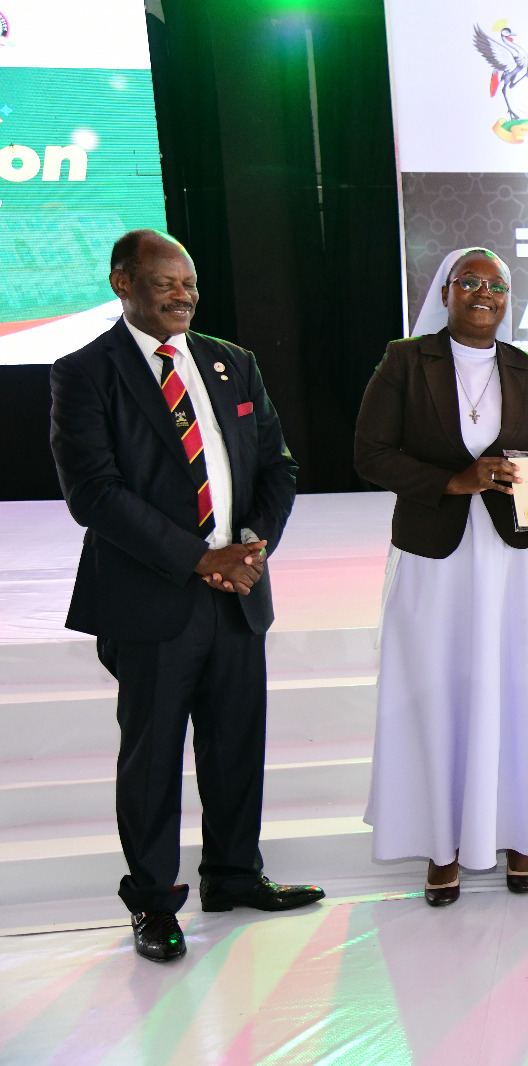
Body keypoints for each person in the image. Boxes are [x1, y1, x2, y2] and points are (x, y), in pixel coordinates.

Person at [49, 229, 321, 963]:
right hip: (151, 597)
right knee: (154, 754)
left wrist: (251, 549)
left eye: (190, 282)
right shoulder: (85, 372)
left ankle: (233, 875)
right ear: (122, 283)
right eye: (166, 281)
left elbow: (279, 468)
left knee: (236, 743)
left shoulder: (233, 363)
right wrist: (203, 559)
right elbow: (94, 494)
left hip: (238, 590)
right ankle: (153, 902)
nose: (183, 294)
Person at [354, 247, 528, 906]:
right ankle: (444, 846)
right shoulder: (406, 361)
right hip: (437, 557)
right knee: (441, 689)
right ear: (446, 291)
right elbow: (370, 455)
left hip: (520, 558)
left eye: (496, 284)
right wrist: (452, 482)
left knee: (525, 688)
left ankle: (524, 831)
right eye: (471, 281)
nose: (485, 292)